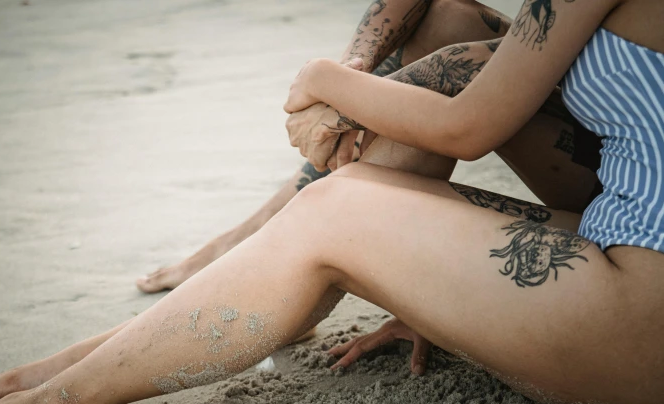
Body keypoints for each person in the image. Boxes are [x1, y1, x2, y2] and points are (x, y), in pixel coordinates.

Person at [0, 0, 664, 404]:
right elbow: (469, 60)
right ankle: (52, 376)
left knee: (336, 211)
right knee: (447, 78)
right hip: (628, 256)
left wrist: (323, 80)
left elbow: (470, 127)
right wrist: (446, 290)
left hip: (641, 316)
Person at [135, 0, 601, 295]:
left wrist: (336, 97)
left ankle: (282, 250)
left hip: (623, 179)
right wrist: (352, 77)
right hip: (586, 115)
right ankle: (270, 232)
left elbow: (475, 102)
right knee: (447, 17)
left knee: (434, 76)